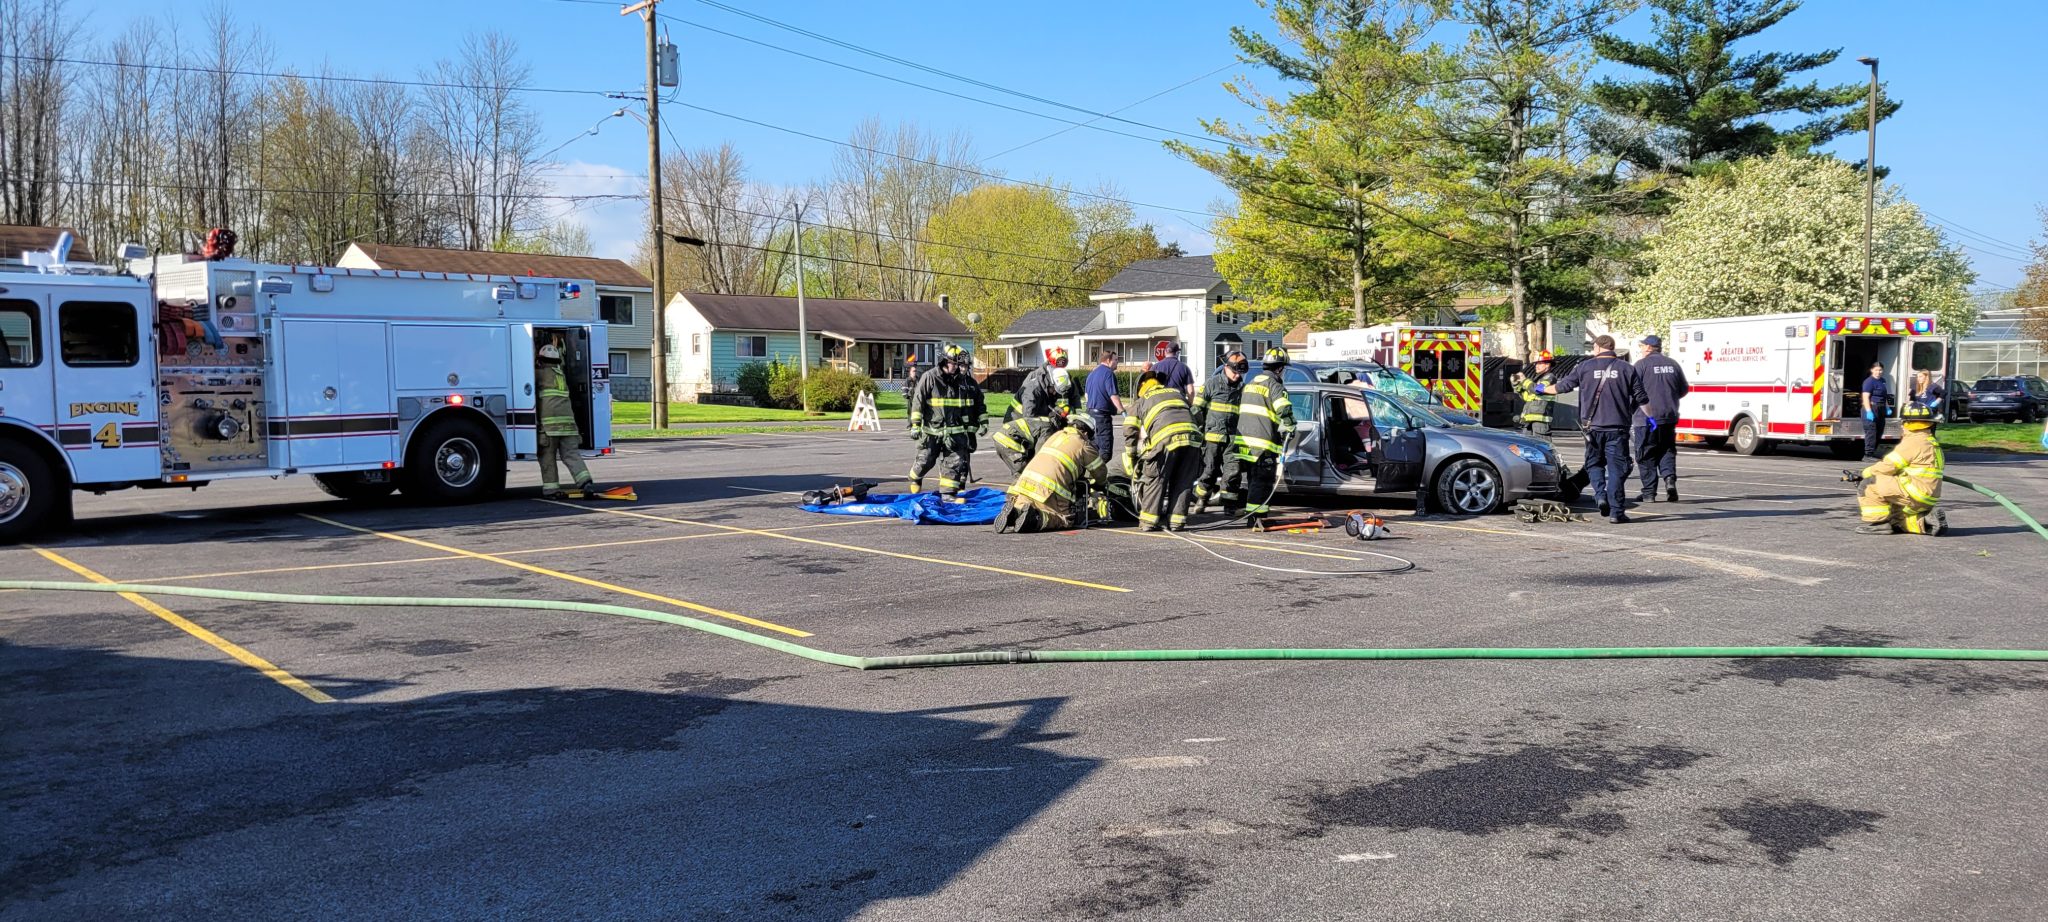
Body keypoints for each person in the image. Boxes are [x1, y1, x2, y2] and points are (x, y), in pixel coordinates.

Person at [1536, 334, 1648, 524]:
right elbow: (1642, 397)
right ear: (1612, 348)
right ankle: (1616, 512)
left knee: (1594, 464)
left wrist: (1540, 388)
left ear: (1597, 348)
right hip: (1618, 428)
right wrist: (1634, 413)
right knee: (1616, 469)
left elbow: (1563, 387)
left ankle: (1600, 495)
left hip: (1592, 428)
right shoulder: (1627, 369)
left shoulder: (1584, 367)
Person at [995, 416, 1111, 534]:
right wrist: (1101, 485)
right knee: (1065, 518)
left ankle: (1014, 513)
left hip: (1024, 484)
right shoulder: (1084, 445)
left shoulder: (1055, 435)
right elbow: (1100, 472)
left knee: (1023, 505)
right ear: (1085, 433)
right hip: (1048, 491)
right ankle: (1035, 519)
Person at [1844, 403, 1946, 536]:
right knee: (1895, 519)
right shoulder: (1930, 442)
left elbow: (1886, 467)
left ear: (1906, 424)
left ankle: (1878, 524)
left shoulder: (1913, 443)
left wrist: (1862, 474)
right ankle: (1926, 522)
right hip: (1927, 496)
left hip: (1915, 493)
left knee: (1869, 484)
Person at [1122, 371, 1202, 531]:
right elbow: (1198, 416)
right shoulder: (1176, 393)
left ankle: (1148, 522)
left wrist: (1131, 456)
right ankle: (1177, 522)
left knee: (1155, 478)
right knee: (1183, 481)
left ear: (1141, 388)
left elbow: (1130, 430)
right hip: (1192, 439)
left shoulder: (1141, 401)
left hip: (1165, 440)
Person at [1229, 347, 1297, 530]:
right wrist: (1291, 424)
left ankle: (1256, 516)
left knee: (1253, 480)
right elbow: (1283, 407)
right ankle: (1256, 518)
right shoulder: (1274, 385)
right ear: (1280, 368)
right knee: (1262, 482)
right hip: (1262, 443)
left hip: (1245, 443)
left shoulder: (1251, 382)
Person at [907, 348, 986, 498]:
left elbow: (970, 405)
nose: (956, 367)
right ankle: (916, 477)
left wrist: (976, 424)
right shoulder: (929, 377)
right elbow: (918, 403)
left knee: (954, 462)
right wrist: (916, 425)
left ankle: (948, 495)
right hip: (932, 431)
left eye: (958, 364)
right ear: (944, 362)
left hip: (954, 433)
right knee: (926, 461)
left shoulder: (961, 381)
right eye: (953, 364)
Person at [535, 340, 599, 499]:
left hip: (549, 427)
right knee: (571, 455)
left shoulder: (539, 374)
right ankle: (586, 483)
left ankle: (551, 490)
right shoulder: (561, 375)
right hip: (569, 425)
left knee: (547, 457)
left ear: (540, 360)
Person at [1632, 334, 1691, 504]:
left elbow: (1633, 391)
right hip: (1668, 417)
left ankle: (1649, 493)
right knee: (1667, 450)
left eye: (1642, 346)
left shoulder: (1641, 365)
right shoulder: (1673, 364)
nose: (1641, 350)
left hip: (1646, 418)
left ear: (1649, 348)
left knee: (1646, 453)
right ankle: (1669, 480)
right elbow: (1684, 389)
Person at [1191, 349, 1248, 513]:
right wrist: (1196, 432)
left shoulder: (1243, 388)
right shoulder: (1211, 384)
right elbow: (1196, 410)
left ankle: (1229, 507)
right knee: (1209, 472)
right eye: (1235, 371)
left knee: (1233, 473)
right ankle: (1201, 500)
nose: (1237, 376)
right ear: (1226, 367)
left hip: (1233, 439)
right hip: (1213, 439)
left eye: (1240, 373)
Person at [992, 410, 1066, 476]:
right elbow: (1040, 455)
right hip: (1008, 441)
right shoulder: (1048, 429)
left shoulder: (1043, 421)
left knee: (1024, 471)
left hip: (1003, 438)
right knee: (1024, 473)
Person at [1084, 350, 1124, 463]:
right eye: (1115, 360)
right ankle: (1100, 478)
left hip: (1090, 415)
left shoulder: (1092, 374)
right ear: (1108, 360)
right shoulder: (1108, 373)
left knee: (1093, 448)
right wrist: (1122, 411)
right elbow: (1113, 395)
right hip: (1102, 417)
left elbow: (1086, 396)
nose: (1117, 363)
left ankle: (1092, 475)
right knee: (1105, 451)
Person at [1014, 347, 1075, 420]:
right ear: (1051, 362)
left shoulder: (1062, 376)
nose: (1061, 365)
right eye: (1059, 362)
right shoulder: (1036, 378)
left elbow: (1073, 394)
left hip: (1036, 413)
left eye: (1063, 362)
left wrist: (1059, 410)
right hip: (1019, 418)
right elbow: (1028, 403)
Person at [1513, 351, 1558, 437]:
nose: (1536, 366)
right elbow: (1527, 397)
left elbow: (1537, 390)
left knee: (1541, 447)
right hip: (1528, 420)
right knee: (1528, 448)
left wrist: (1524, 380)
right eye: (1536, 364)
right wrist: (1517, 386)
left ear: (1547, 365)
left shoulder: (1549, 377)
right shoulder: (1536, 380)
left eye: (1539, 363)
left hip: (1540, 421)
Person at [1861, 361, 1893, 460]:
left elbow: (1884, 396)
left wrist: (1887, 407)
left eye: (1880, 370)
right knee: (1871, 432)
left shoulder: (1883, 381)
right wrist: (1869, 411)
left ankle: (1872, 452)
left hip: (1881, 407)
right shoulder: (1869, 381)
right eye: (1876, 370)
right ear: (1871, 370)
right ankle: (1867, 455)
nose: (1878, 372)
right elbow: (1865, 397)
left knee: (1879, 431)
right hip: (1871, 407)